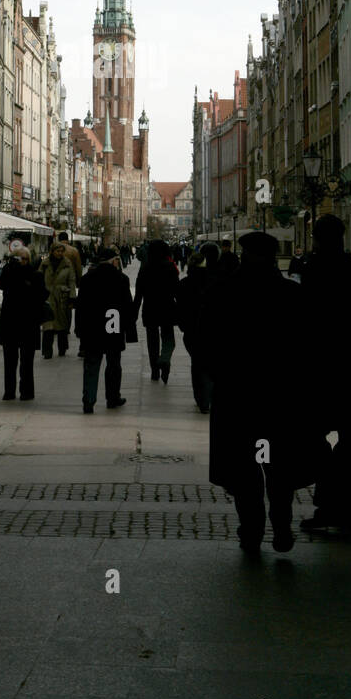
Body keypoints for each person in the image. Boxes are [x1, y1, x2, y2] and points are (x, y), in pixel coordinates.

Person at [203, 231, 324, 553]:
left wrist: (217, 374)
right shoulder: (291, 294)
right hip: (280, 396)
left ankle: (251, 529)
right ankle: (281, 526)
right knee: (279, 465)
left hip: (237, 394)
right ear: (272, 258)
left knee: (243, 469)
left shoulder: (224, 292)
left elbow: (204, 340)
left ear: (243, 255)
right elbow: (310, 348)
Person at [299, 215, 351, 531]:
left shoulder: (312, 270)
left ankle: (327, 505)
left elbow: (303, 323)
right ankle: (349, 511)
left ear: (317, 239)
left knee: (315, 436)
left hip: (319, 367)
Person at [75, 245, 137, 412]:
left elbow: (80, 306)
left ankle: (88, 401)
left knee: (91, 365)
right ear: (113, 261)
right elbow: (127, 307)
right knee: (113, 365)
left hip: (92, 327)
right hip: (113, 324)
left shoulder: (87, 279)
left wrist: (79, 329)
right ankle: (112, 397)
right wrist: (130, 331)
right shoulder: (121, 278)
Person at [0, 246, 49, 400]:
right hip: (10, 321)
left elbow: (43, 294)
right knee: (9, 361)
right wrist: (10, 266)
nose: (23, 262)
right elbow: (1, 283)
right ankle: (9, 391)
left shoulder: (35, 275)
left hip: (28, 322)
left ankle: (27, 391)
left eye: (25, 259)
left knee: (27, 361)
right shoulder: (9, 272)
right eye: (19, 258)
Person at [134, 238, 181, 381]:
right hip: (167, 308)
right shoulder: (170, 267)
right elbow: (177, 291)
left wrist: (134, 313)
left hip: (150, 308)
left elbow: (138, 294)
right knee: (168, 338)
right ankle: (165, 359)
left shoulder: (145, 268)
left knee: (152, 341)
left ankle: (155, 370)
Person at [178, 250, 214, 412]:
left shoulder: (184, 284)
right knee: (211, 363)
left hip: (192, 331)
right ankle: (209, 396)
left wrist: (183, 325)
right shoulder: (214, 282)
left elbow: (180, 308)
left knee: (197, 364)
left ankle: (201, 399)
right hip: (211, 330)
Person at [41, 241, 77, 357]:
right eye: (58, 251)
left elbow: (72, 281)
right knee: (48, 325)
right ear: (52, 251)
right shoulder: (45, 264)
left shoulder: (67, 264)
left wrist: (72, 298)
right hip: (48, 297)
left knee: (62, 325)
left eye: (62, 251)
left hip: (62, 298)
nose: (60, 253)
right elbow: (38, 279)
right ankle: (47, 351)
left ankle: (62, 349)